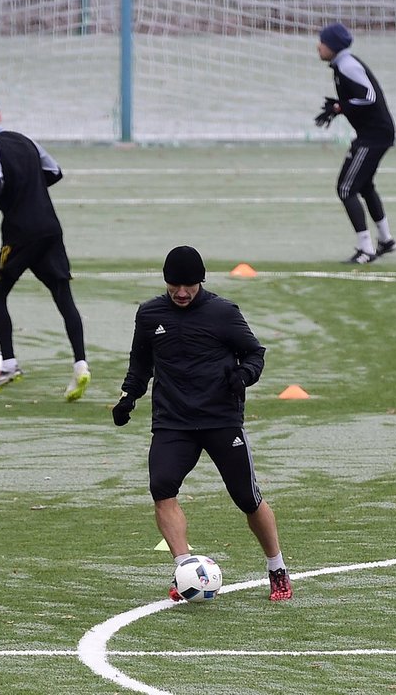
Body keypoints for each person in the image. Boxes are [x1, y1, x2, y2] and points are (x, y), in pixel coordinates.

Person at [112, 246, 293, 602]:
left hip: (220, 418)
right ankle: (184, 570)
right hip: (173, 420)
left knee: (246, 497)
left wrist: (245, 375)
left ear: (201, 282)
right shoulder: (150, 314)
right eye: (174, 286)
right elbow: (140, 363)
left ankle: (277, 568)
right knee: (162, 489)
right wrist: (128, 396)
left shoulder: (222, 312)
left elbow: (254, 352)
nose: (181, 293)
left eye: (189, 286)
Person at [0, 95, 90, 401]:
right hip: (50, 229)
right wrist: (31, 189)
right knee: (63, 295)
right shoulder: (27, 141)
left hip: (21, 234)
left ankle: (9, 364)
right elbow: (54, 172)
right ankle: (81, 365)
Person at [314, 21, 396, 264]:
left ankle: (367, 249)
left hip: (374, 136)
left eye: (322, 41)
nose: (318, 46)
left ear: (332, 45)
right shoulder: (342, 64)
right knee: (363, 185)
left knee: (346, 188)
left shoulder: (348, 65)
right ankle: (386, 240)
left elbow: (369, 97)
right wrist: (341, 109)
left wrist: (342, 106)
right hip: (375, 133)